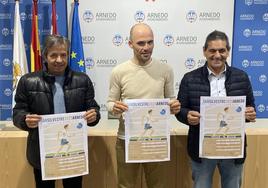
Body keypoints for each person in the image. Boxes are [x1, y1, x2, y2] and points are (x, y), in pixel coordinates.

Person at [13, 34, 100, 188]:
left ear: (67, 55)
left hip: (73, 150)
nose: (59, 60)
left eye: (63, 55)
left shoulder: (83, 80)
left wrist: (94, 114)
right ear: (45, 56)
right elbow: (18, 112)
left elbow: (92, 107)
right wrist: (25, 119)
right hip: (42, 152)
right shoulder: (28, 81)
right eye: (54, 55)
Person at [175, 30, 256, 188]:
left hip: (232, 148)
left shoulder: (242, 77)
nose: (217, 55)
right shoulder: (189, 78)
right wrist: (187, 116)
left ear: (228, 51)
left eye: (222, 50)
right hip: (201, 149)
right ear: (204, 51)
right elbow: (180, 109)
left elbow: (250, 108)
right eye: (212, 50)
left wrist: (249, 113)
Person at [107, 23, 181, 188]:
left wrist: (174, 107)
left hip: (156, 139)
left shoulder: (165, 70)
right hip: (126, 139)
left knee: (158, 185)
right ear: (130, 44)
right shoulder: (119, 71)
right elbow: (110, 103)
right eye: (141, 43)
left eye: (150, 42)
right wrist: (115, 108)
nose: (146, 47)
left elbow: (170, 100)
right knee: (125, 185)